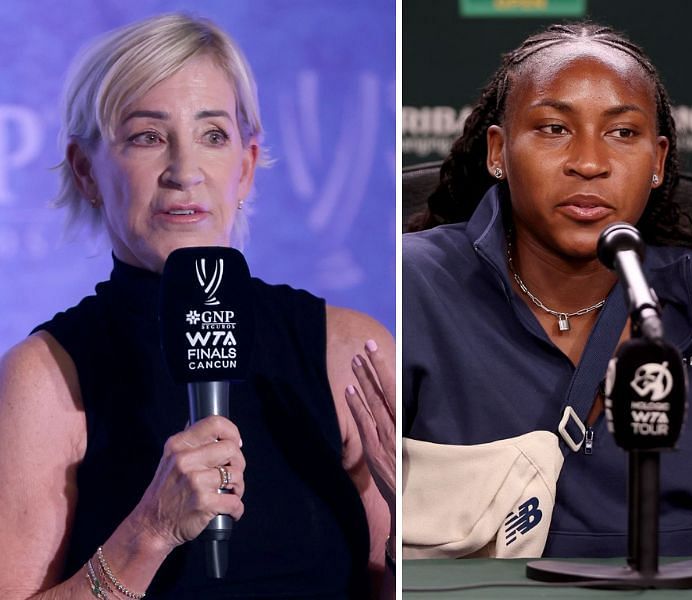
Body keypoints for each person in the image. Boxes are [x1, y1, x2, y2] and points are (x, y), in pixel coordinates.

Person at [0, 14, 396, 598]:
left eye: (213, 136)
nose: (185, 172)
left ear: (245, 165)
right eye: (147, 137)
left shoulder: (346, 352)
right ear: (86, 171)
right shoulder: (45, 377)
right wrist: (149, 532)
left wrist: (411, 538)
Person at [403, 22, 692, 557]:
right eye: (553, 128)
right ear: (498, 151)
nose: (589, 163)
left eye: (622, 133)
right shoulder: (413, 285)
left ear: (657, 162)